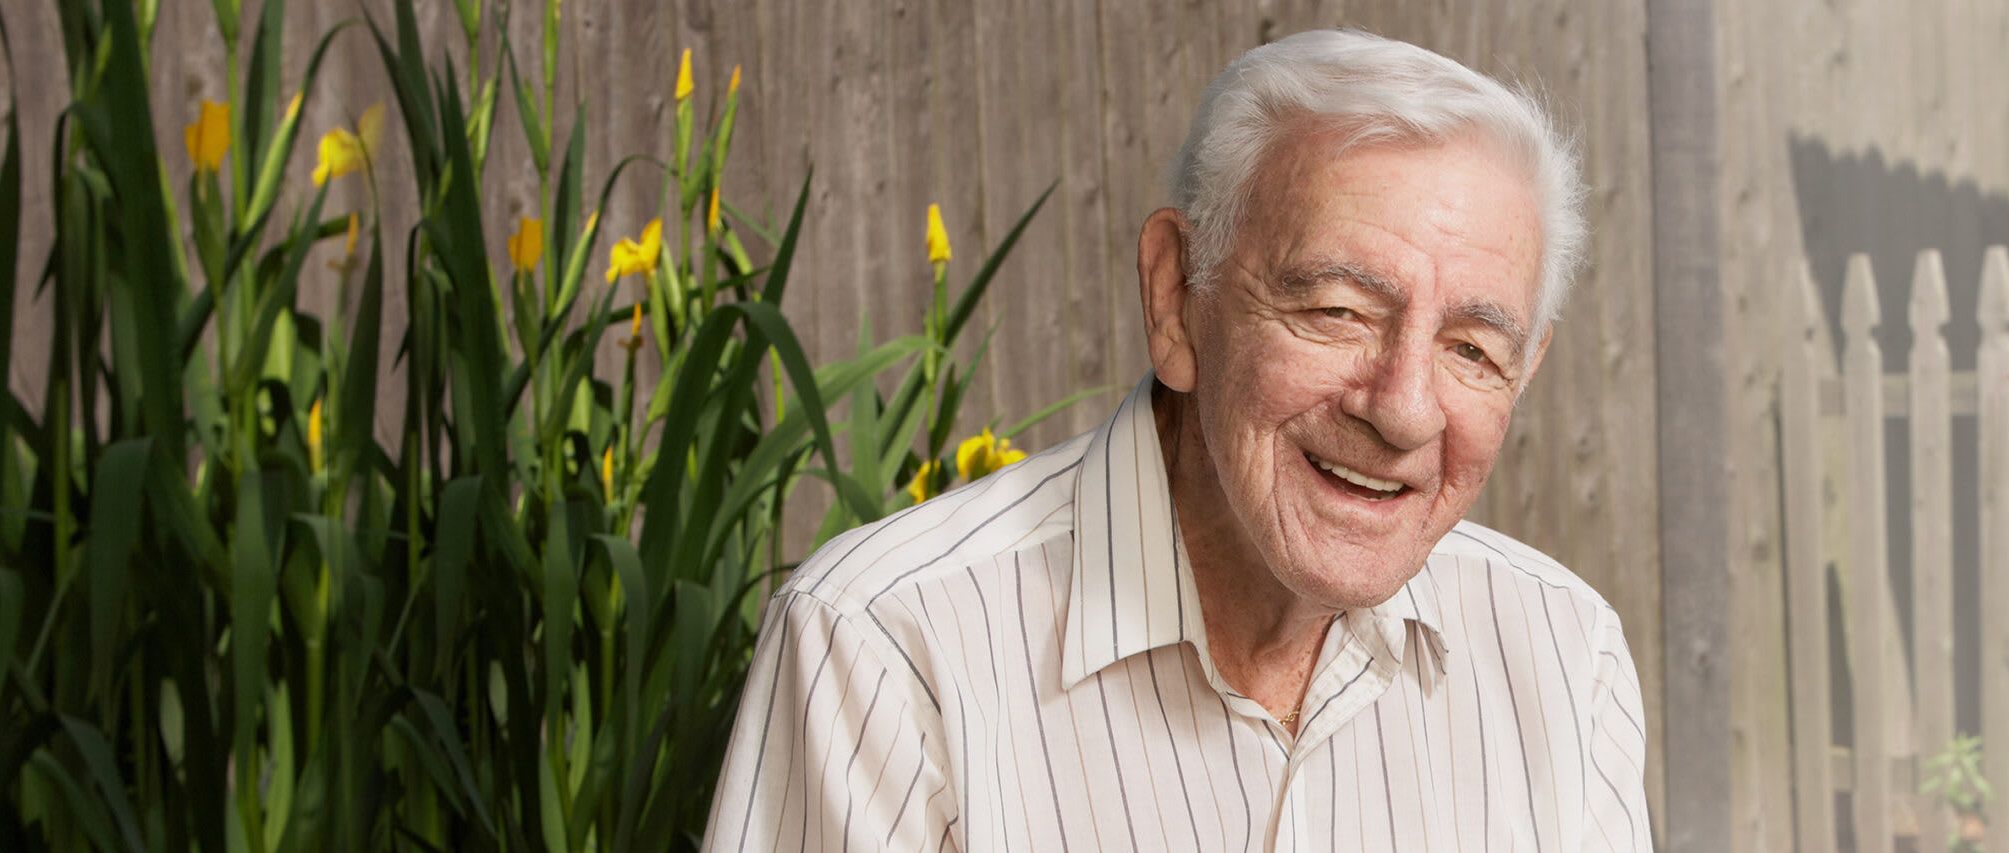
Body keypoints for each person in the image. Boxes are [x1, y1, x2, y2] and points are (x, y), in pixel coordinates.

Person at [703, 28, 1648, 852]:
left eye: (1472, 349)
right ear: (1175, 295)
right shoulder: (886, 646)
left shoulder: (1567, 655)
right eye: (1337, 310)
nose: (1402, 410)